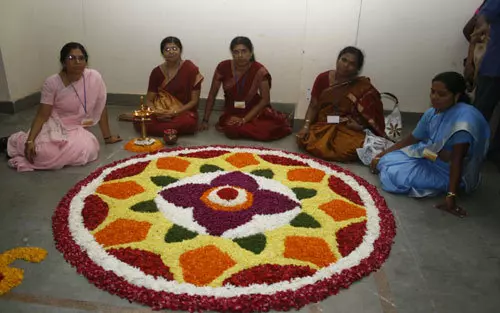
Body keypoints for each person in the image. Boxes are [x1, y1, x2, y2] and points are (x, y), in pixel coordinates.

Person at [371, 72, 490, 218]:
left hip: (449, 169)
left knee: (396, 177)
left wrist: (451, 196)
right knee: (386, 160)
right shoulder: (433, 112)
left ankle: (449, 185)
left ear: (457, 95)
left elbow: (457, 160)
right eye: (432, 92)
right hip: (432, 154)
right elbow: (412, 139)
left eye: (442, 94)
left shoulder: (463, 122)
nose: (434, 97)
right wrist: (382, 154)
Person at [0, 42, 121, 172]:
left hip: (76, 128)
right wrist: (30, 141)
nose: (77, 62)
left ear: (86, 61)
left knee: (89, 149)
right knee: (41, 152)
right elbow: (42, 115)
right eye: (71, 58)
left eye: (81, 58)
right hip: (55, 124)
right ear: (63, 62)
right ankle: (14, 142)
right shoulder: (52, 83)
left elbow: (101, 107)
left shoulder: (94, 77)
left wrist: (107, 137)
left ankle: (24, 146)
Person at [296, 46, 385, 162]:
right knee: (306, 139)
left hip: (346, 125)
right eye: (344, 60)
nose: (346, 66)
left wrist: (360, 126)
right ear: (338, 60)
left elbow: (371, 116)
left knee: (354, 147)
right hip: (324, 122)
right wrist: (306, 126)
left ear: (357, 69)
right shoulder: (323, 78)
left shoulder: (361, 86)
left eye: (352, 64)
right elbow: (313, 105)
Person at [199, 36, 291, 141]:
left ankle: (249, 126)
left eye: (244, 51)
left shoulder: (259, 70)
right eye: (236, 52)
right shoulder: (223, 67)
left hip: (254, 111)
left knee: (267, 131)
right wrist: (205, 120)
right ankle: (247, 129)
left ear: (251, 53)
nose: (240, 55)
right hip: (232, 111)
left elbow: (265, 100)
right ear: (232, 54)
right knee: (231, 129)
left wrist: (244, 119)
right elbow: (212, 94)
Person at [119, 37, 204, 136]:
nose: (171, 52)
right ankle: (164, 127)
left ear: (180, 50)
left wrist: (174, 112)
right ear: (162, 53)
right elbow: (148, 99)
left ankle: (160, 126)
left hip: (182, 112)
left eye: (174, 48)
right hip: (160, 110)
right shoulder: (157, 72)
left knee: (188, 123)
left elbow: (194, 101)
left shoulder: (191, 69)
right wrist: (157, 113)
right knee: (140, 120)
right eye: (167, 49)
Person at [472, 0, 500, 162]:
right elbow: (483, 16)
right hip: (494, 67)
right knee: (480, 114)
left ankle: (495, 153)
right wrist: (484, 27)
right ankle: (468, 152)